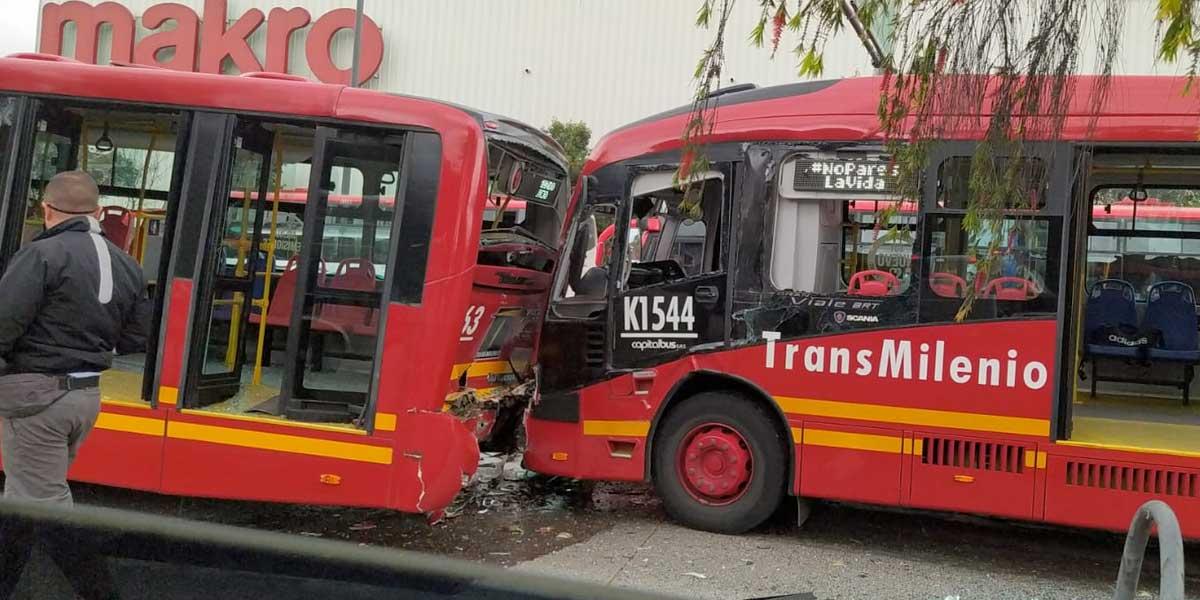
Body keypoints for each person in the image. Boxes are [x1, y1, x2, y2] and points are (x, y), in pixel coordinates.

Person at [0, 170, 149, 600]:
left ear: (45, 209)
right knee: (25, 503)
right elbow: (136, 338)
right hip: (84, 399)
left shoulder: (41, 255)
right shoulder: (127, 263)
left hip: (36, 402)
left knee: (48, 515)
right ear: (99, 212)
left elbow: (3, 326)